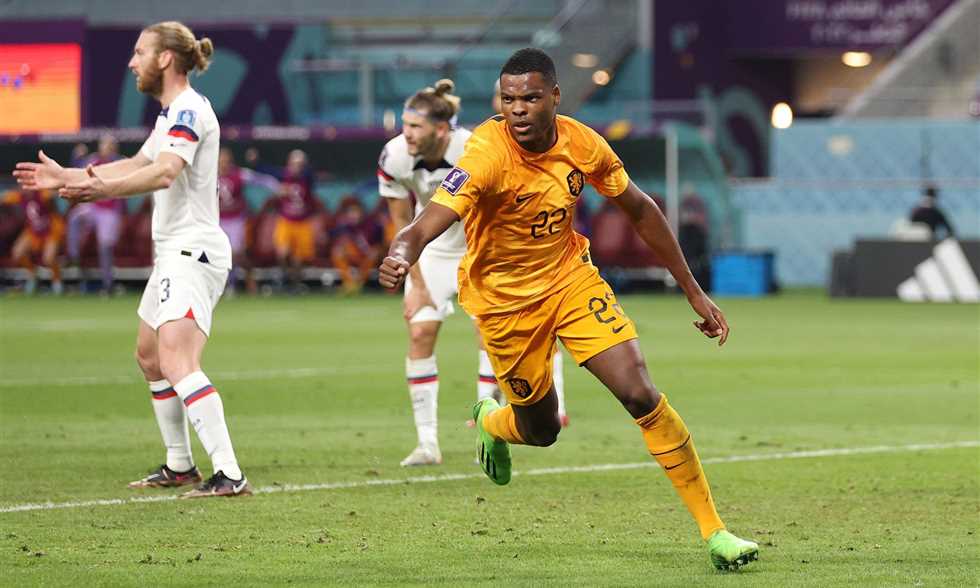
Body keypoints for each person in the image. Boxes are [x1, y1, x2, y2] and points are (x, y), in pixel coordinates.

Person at [379, 48, 758, 570]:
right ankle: (493, 422)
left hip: (569, 281)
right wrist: (401, 254)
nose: (518, 109)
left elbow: (640, 209)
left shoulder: (583, 144)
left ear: (555, 97)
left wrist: (693, 289)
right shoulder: (485, 154)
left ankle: (716, 532)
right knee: (542, 429)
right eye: (508, 99)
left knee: (639, 392)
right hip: (504, 303)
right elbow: (425, 221)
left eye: (531, 98)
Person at [14, 21, 249, 498]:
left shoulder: (188, 109)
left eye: (140, 52)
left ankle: (229, 474)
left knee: (178, 360)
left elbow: (164, 173)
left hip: (193, 251)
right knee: (150, 357)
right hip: (174, 254)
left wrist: (99, 189)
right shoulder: (169, 116)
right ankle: (180, 465)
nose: (131, 62)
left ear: (165, 58)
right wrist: (69, 176)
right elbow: (140, 164)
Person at [379, 79, 566, 467]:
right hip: (432, 252)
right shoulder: (394, 156)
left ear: (441, 129)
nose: (406, 133)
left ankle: (486, 422)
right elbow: (402, 223)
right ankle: (427, 444)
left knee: (490, 336)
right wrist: (415, 282)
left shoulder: (474, 148)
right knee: (420, 332)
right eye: (405, 125)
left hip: (481, 250)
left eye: (415, 126)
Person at [66, 134, 125, 294]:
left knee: (105, 246)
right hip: (93, 207)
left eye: (109, 145)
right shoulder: (93, 160)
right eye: (104, 144)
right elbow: (76, 172)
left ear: (114, 148)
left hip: (109, 210)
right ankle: (73, 256)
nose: (106, 148)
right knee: (75, 217)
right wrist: (76, 156)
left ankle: (108, 283)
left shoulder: (119, 162)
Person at [218, 147, 279, 294]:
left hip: (236, 220)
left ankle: (232, 284)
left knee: (235, 253)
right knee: (219, 254)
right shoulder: (209, 175)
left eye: (227, 161)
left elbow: (261, 180)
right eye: (221, 160)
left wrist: (277, 187)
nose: (224, 164)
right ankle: (222, 285)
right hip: (218, 219)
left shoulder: (239, 174)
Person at [266, 149, 322, 292]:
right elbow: (267, 174)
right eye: (294, 163)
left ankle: (295, 283)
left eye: (300, 164)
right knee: (283, 253)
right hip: (286, 220)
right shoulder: (282, 176)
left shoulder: (307, 178)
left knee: (299, 258)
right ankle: (285, 278)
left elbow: (311, 178)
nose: (297, 167)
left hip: (302, 222)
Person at [2, 188, 65, 295]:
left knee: (48, 259)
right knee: (18, 253)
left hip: (50, 230)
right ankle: (32, 274)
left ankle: (57, 281)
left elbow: (53, 197)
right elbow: (5, 198)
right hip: (33, 231)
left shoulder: (43, 195)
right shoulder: (19, 196)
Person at [329, 196, 381, 294]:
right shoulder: (343, 228)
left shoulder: (372, 226)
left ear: (362, 213)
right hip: (353, 256)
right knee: (337, 252)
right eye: (351, 212)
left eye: (356, 212)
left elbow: (378, 245)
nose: (354, 215)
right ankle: (349, 282)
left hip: (367, 257)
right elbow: (337, 243)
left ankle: (358, 283)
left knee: (375, 253)